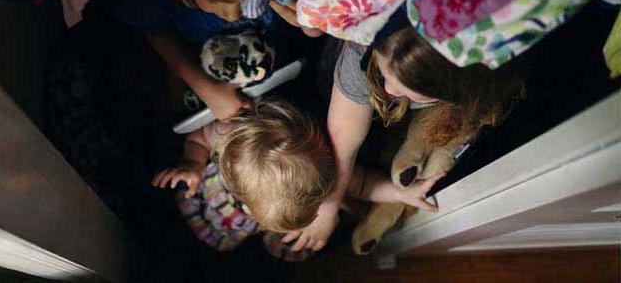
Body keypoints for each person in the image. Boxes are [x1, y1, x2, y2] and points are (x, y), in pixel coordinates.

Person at [283, 27, 525, 252]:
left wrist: (397, 195)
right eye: (383, 70)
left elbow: (361, 181)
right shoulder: (363, 53)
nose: (389, 90)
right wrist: (328, 212)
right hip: (341, 81)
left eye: (404, 87)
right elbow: (343, 144)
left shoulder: (476, 87)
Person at [152, 98, 444, 259]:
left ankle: (267, 238)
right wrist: (192, 163)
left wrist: (401, 194)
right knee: (196, 221)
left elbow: (365, 184)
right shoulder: (225, 134)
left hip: (240, 227)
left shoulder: (324, 176)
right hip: (204, 191)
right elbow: (198, 138)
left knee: (232, 244)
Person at [115, 0, 274, 120]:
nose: (233, 16)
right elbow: (155, 32)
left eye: (247, 0)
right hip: (194, 68)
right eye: (217, 2)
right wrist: (206, 89)